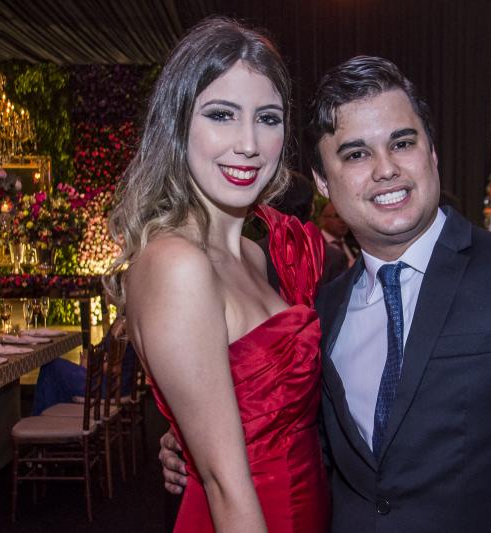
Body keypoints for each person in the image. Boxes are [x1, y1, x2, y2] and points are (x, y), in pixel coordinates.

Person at [160, 55, 491, 532]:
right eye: (356, 154)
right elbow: (300, 443)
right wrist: (195, 436)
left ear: (432, 153)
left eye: (402, 143)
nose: (386, 169)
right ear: (323, 181)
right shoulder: (320, 311)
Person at [106, 18, 329, 533]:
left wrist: (185, 435)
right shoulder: (176, 263)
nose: (249, 143)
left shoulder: (254, 254)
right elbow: (225, 482)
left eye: (267, 118)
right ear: (177, 125)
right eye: (222, 115)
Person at [31, 315, 135, 416]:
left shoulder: (124, 325)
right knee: (54, 368)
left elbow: (114, 368)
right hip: (107, 381)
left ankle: (42, 420)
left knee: (52, 368)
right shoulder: (125, 320)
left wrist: (91, 365)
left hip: (109, 386)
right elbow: (106, 352)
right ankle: (51, 419)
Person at [318, 201, 359, 267]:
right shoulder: (315, 245)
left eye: (345, 217)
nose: (343, 220)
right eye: (337, 216)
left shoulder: (356, 244)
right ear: (322, 219)